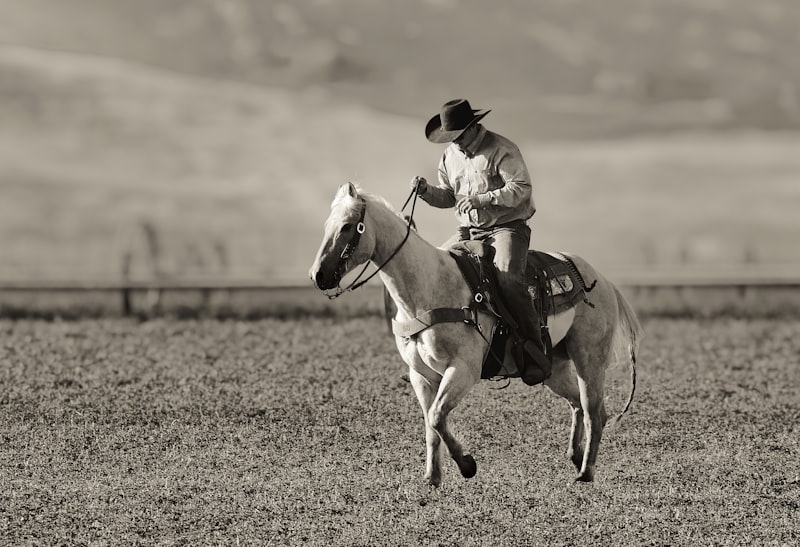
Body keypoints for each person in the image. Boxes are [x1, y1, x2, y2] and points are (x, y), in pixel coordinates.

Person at [411, 98, 551, 385]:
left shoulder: (502, 149)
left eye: (459, 136)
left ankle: (535, 347)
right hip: (469, 232)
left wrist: (483, 199)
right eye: (451, 138)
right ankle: (430, 357)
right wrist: (427, 192)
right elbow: (449, 196)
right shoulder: (451, 156)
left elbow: (521, 188)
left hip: (507, 228)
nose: (456, 143)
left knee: (509, 277)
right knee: (435, 268)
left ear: (473, 127)